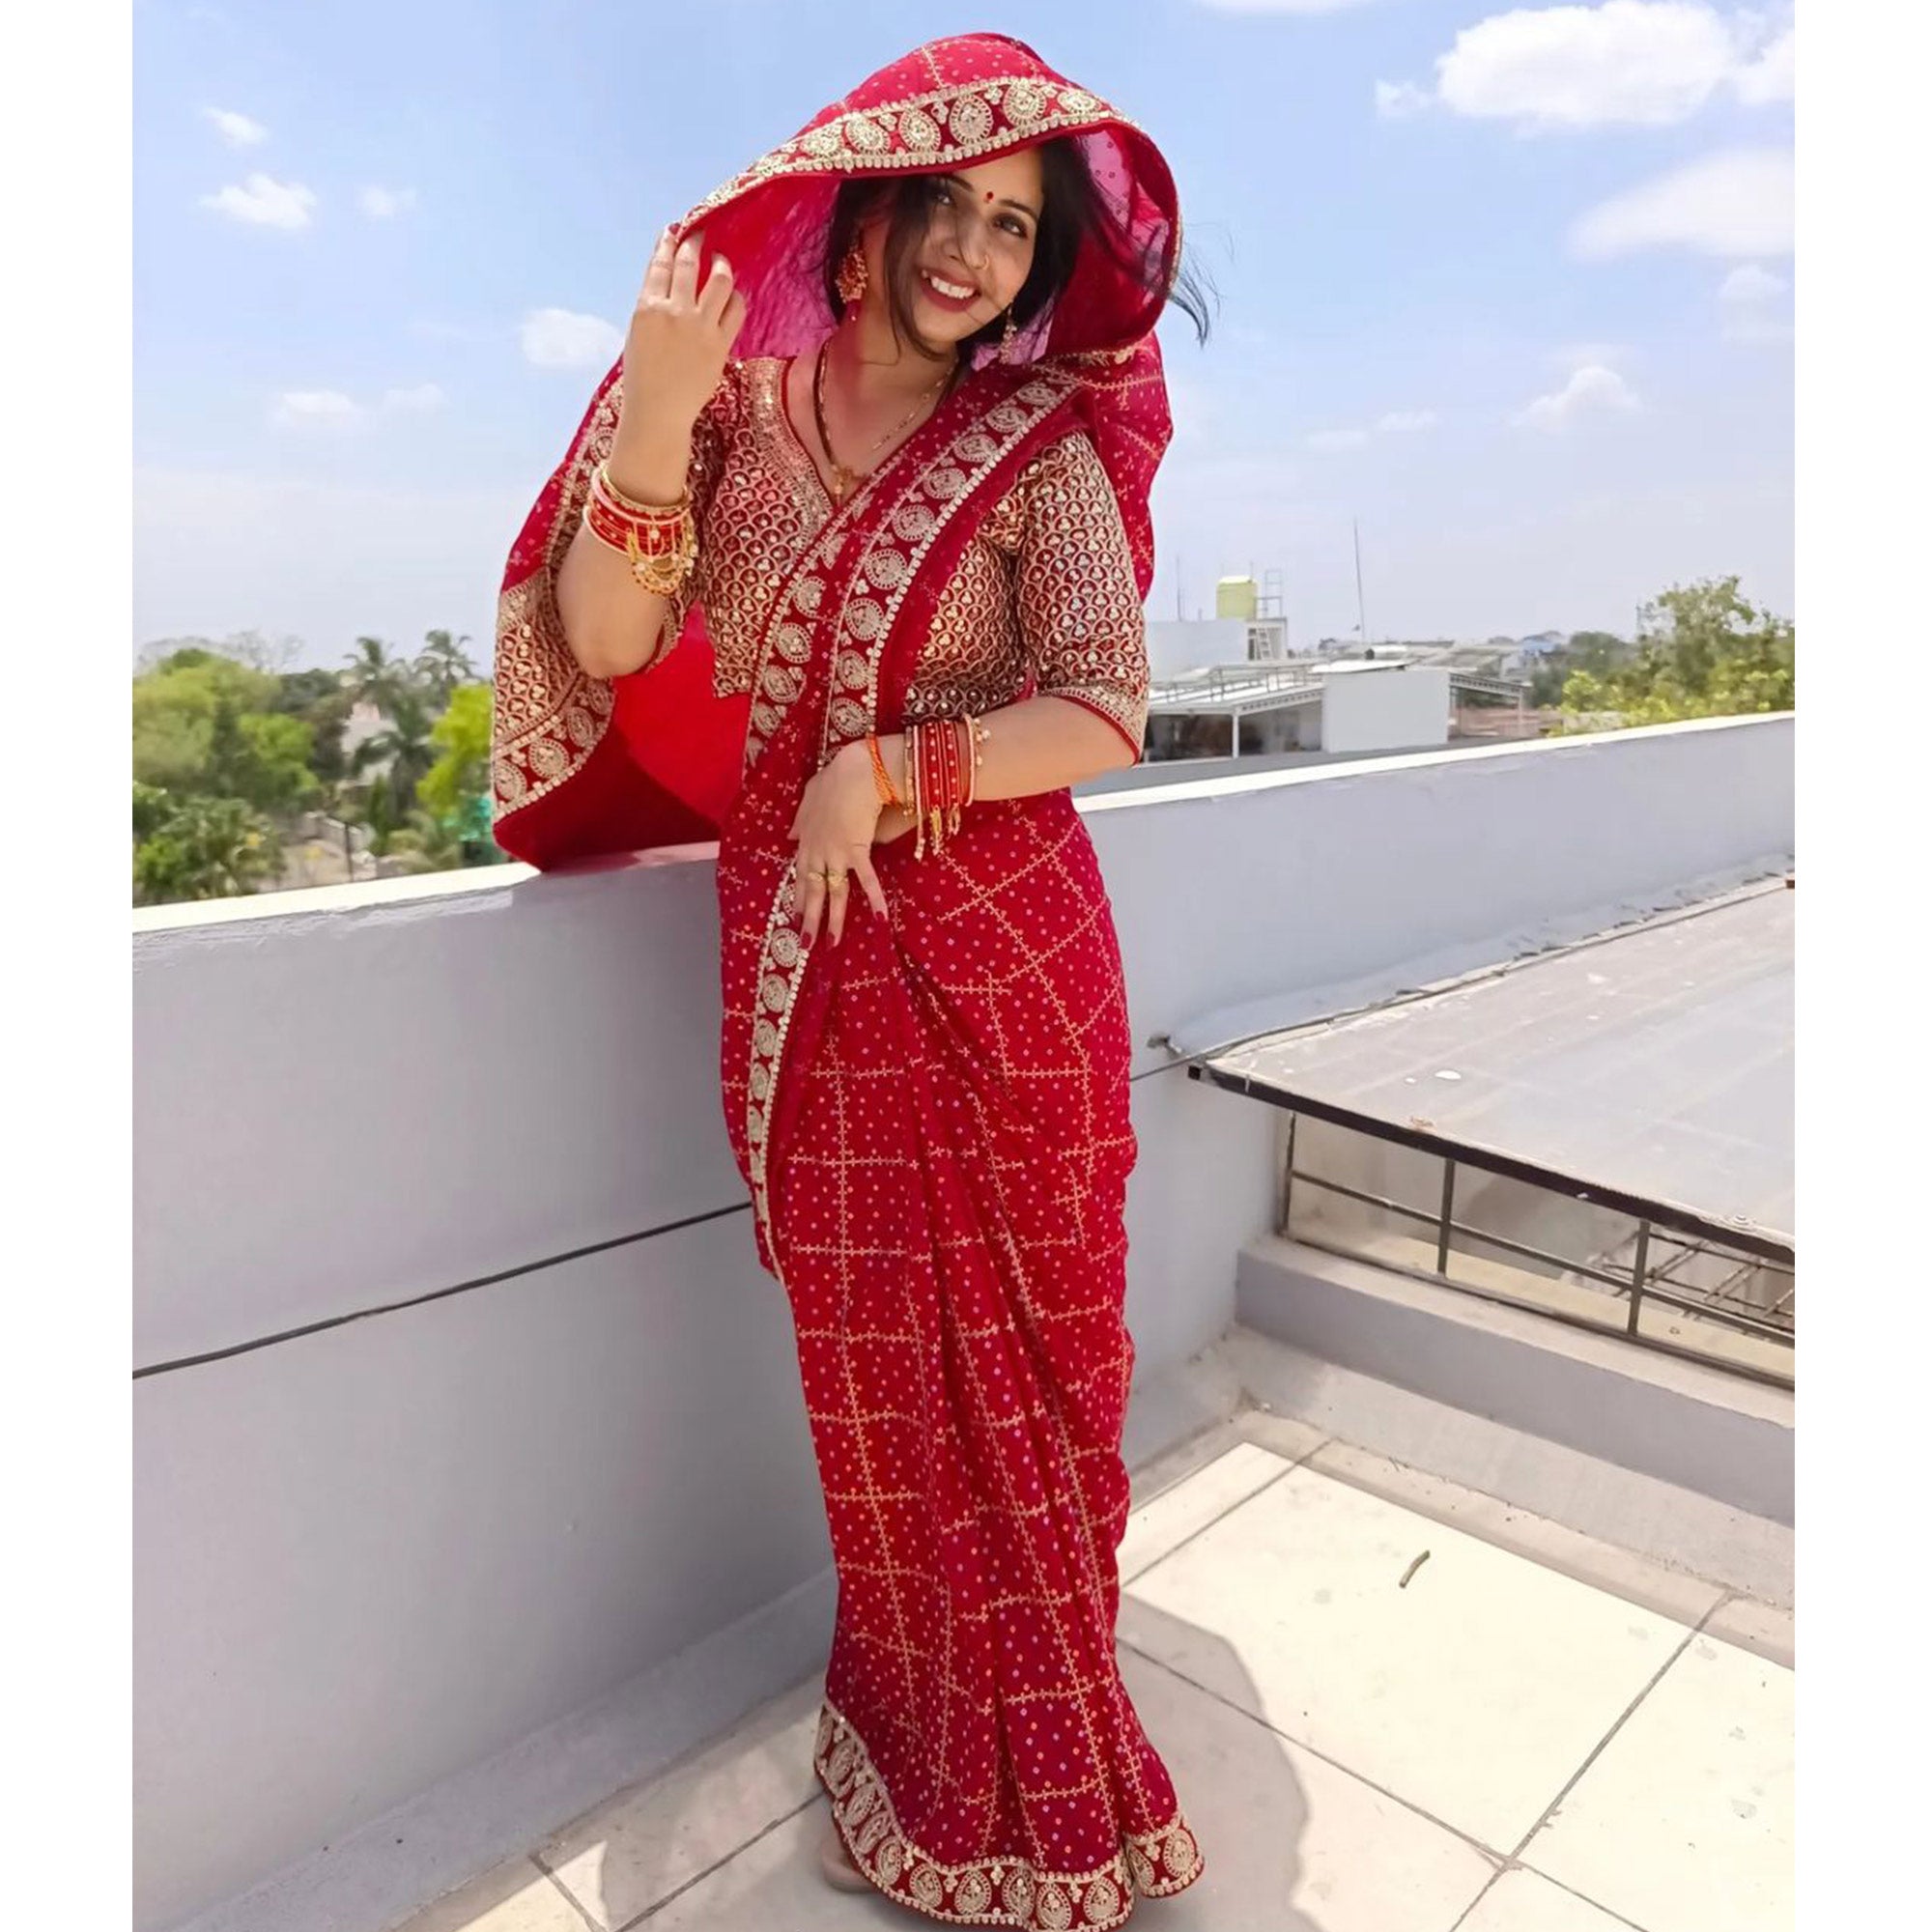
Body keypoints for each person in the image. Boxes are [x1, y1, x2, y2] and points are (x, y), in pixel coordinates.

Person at [491, 33, 1212, 1927]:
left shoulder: (1032, 449)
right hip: (809, 957)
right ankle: (902, 1739)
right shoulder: (738, 412)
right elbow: (606, 631)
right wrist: (650, 421)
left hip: (1002, 952)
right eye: (952, 207)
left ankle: (1054, 1777)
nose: (974, 253)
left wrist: (890, 767)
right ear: (875, 199)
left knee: (1034, 1386)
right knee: (872, 1388)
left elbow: (1107, 709)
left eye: (1013, 227)